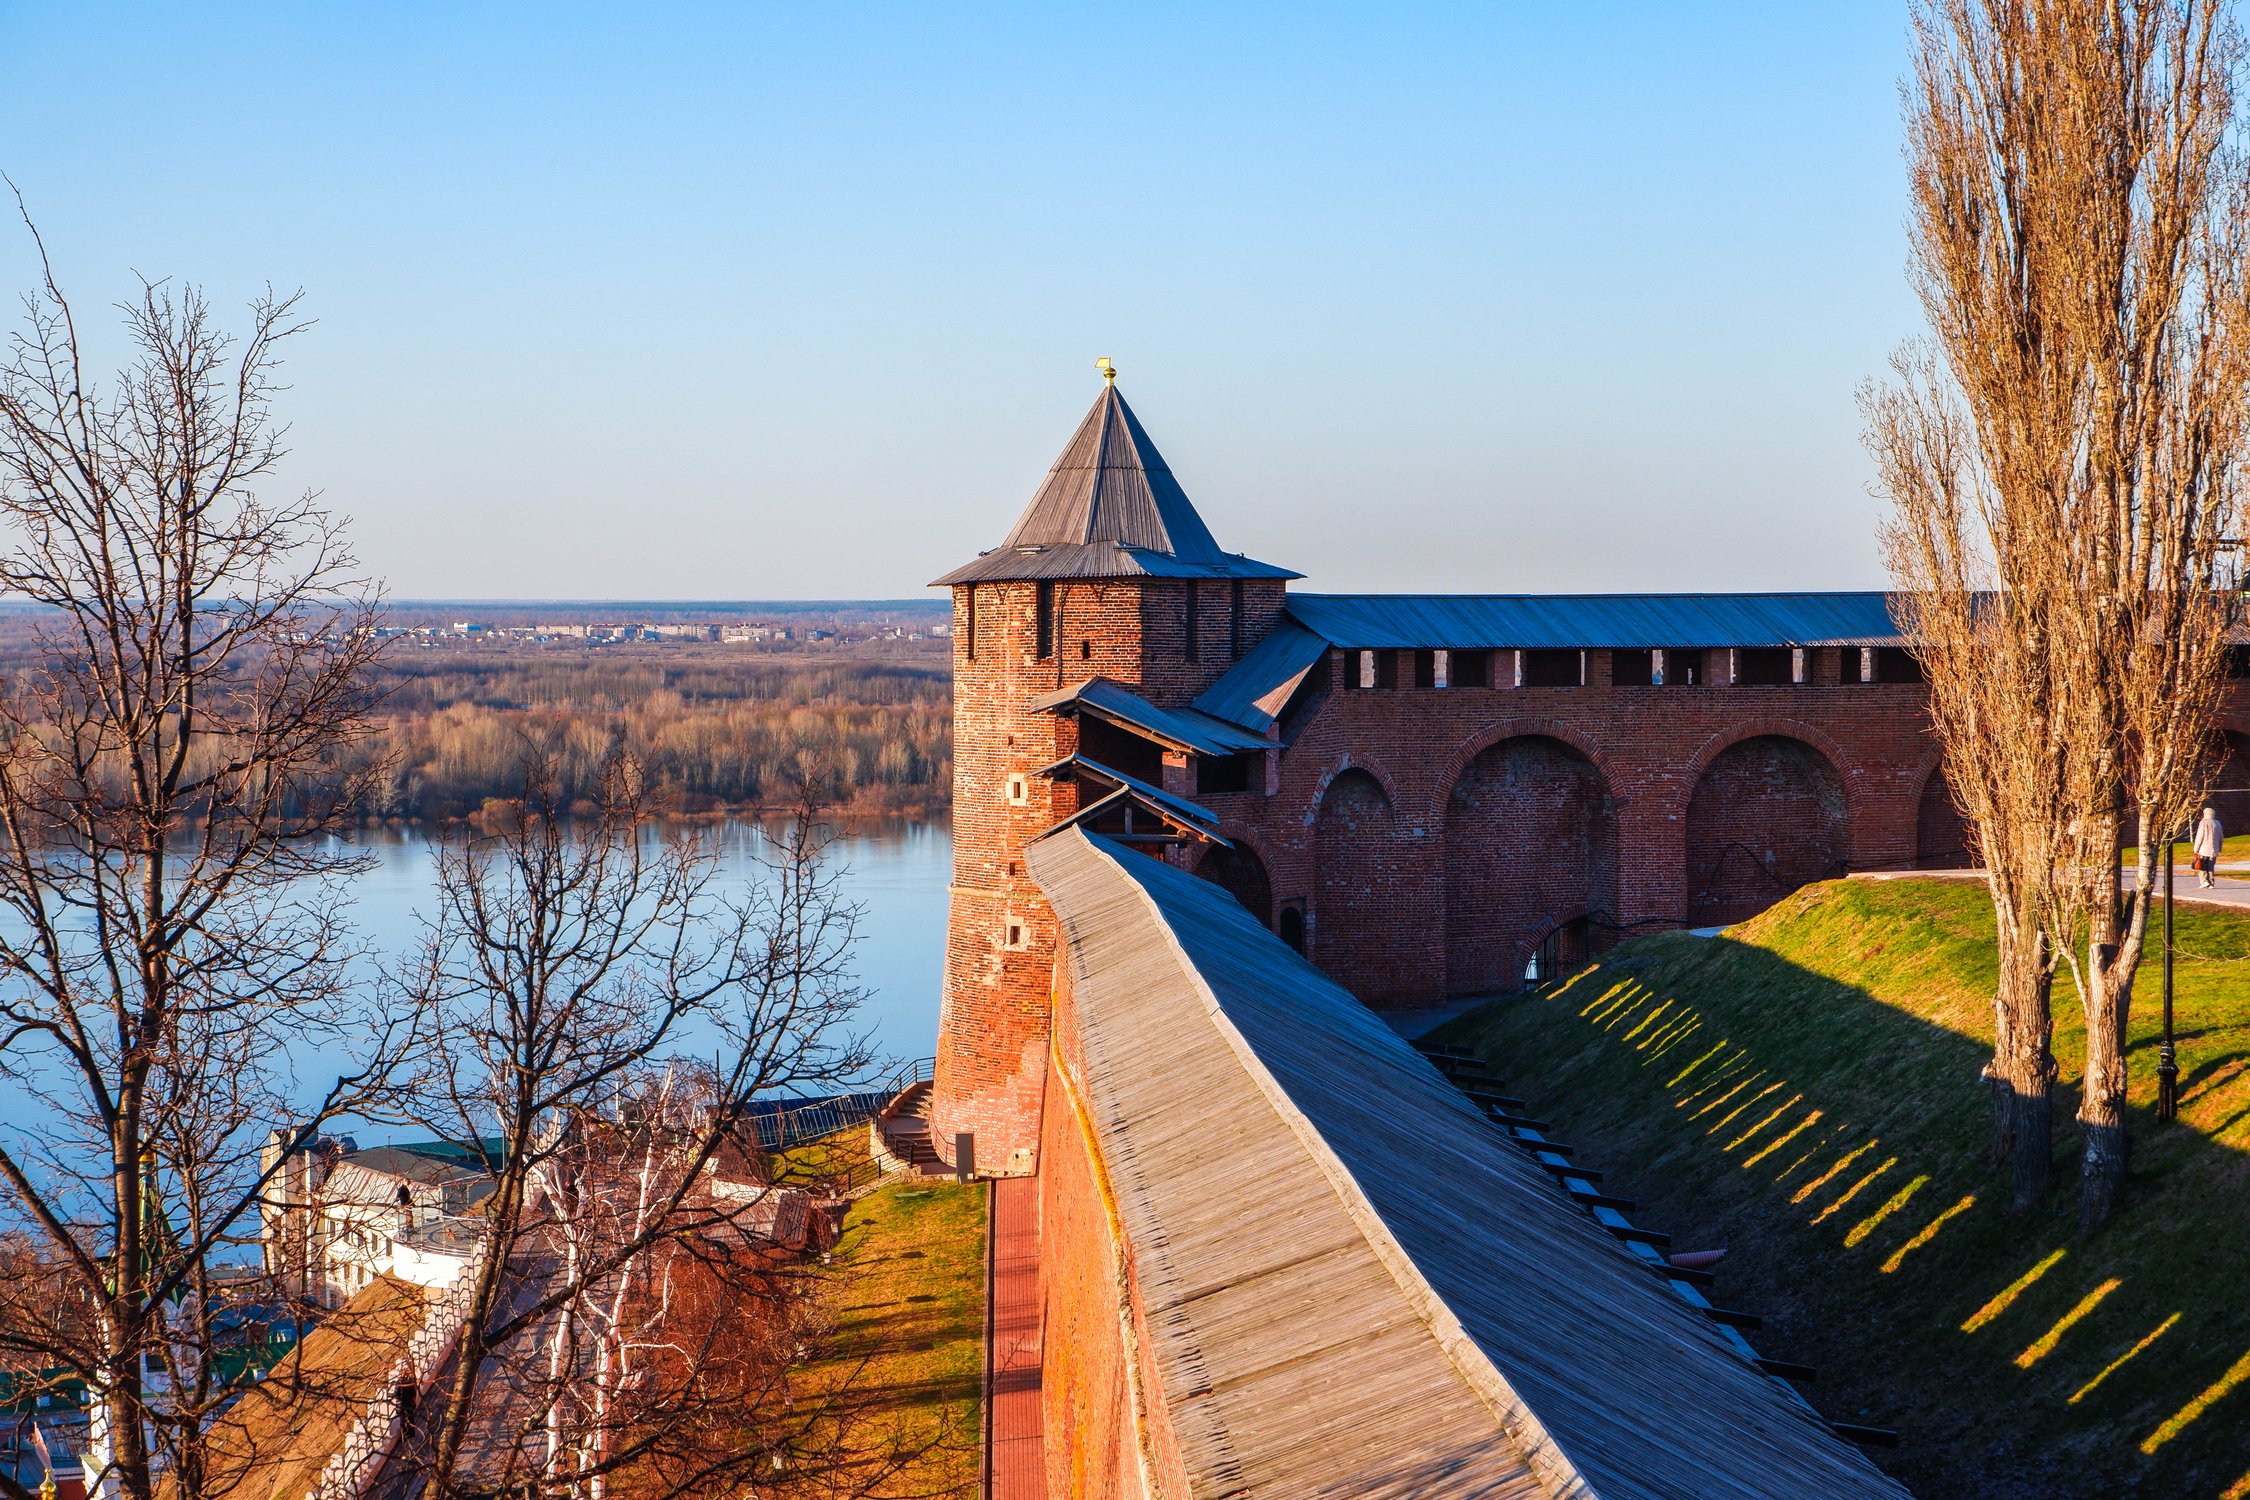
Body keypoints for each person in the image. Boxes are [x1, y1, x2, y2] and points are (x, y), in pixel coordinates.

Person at [2192, 804, 2225, 889]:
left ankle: (2204, 881)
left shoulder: (2203, 823)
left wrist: (2196, 848)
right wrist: (2219, 848)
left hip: (2203, 849)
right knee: (2211, 865)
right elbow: (2221, 837)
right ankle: (2211, 882)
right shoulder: (2217, 823)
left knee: (2202, 865)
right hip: (2214, 849)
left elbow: (2199, 837)